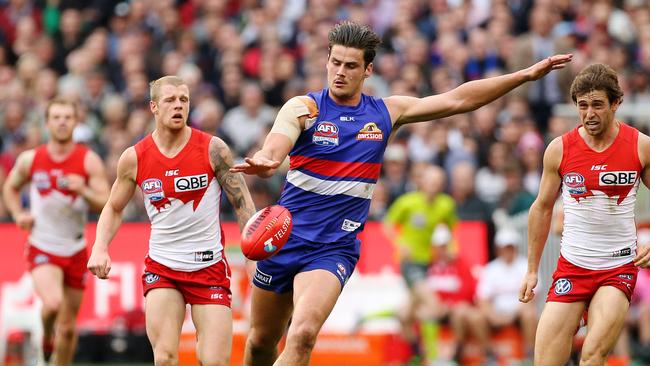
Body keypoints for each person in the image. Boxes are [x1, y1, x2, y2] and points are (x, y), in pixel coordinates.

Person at [230, 21, 571, 366]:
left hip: (333, 248)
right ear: (327, 61)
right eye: (335, 63)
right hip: (284, 238)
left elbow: (459, 100)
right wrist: (267, 160)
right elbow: (276, 144)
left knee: (302, 334)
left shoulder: (386, 112)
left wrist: (524, 76)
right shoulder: (305, 108)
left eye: (351, 66)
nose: (340, 72)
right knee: (260, 342)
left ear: (368, 70)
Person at [86, 76, 256, 366]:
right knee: (164, 358)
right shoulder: (134, 158)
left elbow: (242, 204)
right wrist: (100, 247)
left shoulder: (214, 149)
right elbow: (114, 207)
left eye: (184, 100)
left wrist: (254, 255)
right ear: (153, 106)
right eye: (170, 100)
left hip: (209, 269)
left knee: (214, 361)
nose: (178, 106)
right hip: (163, 268)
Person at [519, 63, 650, 365]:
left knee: (591, 357)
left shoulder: (640, 146)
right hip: (572, 268)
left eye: (598, 105)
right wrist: (531, 269)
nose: (589, 114)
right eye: (583, 106)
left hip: (617, 268)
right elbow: (541, 207)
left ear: (616, 103)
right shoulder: (559, 149)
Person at [2, 97, 110, 365]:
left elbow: (107, 201)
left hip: (74, 248)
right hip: (42, 245)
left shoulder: (88, 161)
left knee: (70, 328)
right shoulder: (32, 158)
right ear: (47, 122)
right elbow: (10, 187)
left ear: (75, 122)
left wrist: (82, 189)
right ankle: (46, 336)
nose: (62, 122)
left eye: (67, 117)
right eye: (57, 117)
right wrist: (18, 214)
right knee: (51, 304)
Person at [383, 164, 456, 359]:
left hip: (427, 263)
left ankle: (414, 353)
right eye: (432, 181)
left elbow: (451, 228)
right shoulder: (408, 202)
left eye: (439, 182)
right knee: (433, 305)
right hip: (409, 263)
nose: (435, 185)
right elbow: (388, 224)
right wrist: (400, 244)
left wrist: (449, 250)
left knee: (408, 313)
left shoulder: (445, 204)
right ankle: (433, 357)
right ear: (422, 182)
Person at [477, 229, 537, 359]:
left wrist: (512, 314)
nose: (508, 251)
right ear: (498, 249)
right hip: (496, 312)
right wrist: (492, 315)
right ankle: (488, 354)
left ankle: (530, 354)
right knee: (477, 317)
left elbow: (532, 297)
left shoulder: (526, 266)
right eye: (505, 248)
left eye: (511, 247)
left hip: (519, 311)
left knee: (529, 313)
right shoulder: (490, 269)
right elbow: (482, 299)